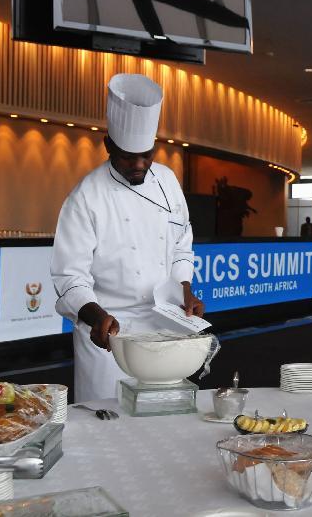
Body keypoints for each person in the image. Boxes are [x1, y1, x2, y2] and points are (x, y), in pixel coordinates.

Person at [51, 73, 204, 402]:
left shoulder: (166, 180)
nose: (139, 165)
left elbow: (181, 242)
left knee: (166, 418)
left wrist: (184, 289)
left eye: (147, 155)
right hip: (110, 332)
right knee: (109, 424)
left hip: (162, 324)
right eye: (127, 157)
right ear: (108, 146)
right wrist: (95, 316)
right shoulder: (85, 196)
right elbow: (69, 276)